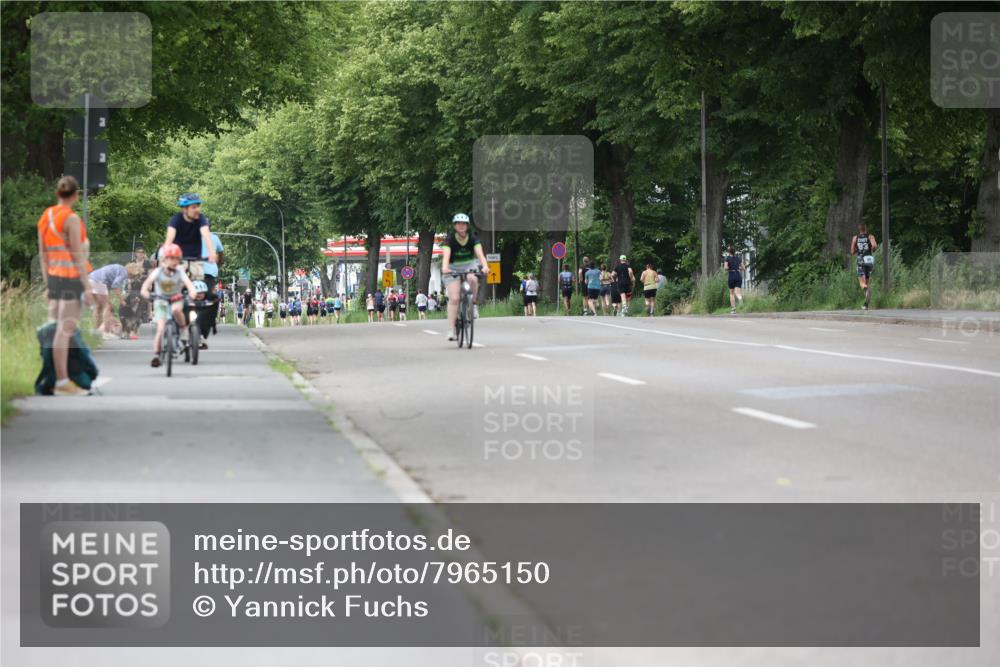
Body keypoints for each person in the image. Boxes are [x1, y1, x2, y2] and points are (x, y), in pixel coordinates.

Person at [37, 175, 94, 396]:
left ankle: (53, 378)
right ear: (76, 195)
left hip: (54, 278)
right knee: (65, 328)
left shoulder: (46, 216)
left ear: (57, 193)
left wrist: (47, 283)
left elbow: (43, 255)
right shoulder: (70, 219)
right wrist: (87, 287)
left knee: (54, 328)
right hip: (70, 278)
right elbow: (78, 255)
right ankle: (62, 381)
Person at [140, 243, 197, 368]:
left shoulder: (180, 272)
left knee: (177, 310)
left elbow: (189, 285)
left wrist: (192, 292)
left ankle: (183, 329)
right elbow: (146, 286)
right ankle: (156, 355)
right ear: (164, 259)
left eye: (176, 258)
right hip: (160, 300)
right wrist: (145, 293)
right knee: (160, 329)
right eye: (171, 258)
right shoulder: (157, 272)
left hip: (176, 299)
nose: (174, 261)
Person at [442, 213, 489, 341]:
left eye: (464, 224)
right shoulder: (449, 240)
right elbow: (446, 256)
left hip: (469, 266)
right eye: (458, 223)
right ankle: (452, 330)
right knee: (455, 298)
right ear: (455, 226)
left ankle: (473, 304)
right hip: (452, 268)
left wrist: (485, 266)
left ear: (467, 226)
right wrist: (445, 268)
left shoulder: (473, 239)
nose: (461, 226)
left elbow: (480, 255)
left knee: (473, 278)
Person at [165, 193, 217, 282]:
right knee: (174, 284)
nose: (197, 209)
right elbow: (170, 238)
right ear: (185, 209)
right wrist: (166, 254)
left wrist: (211, 252)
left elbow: (206, 234)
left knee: (199, 288)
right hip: (178, 260)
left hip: (195, 260)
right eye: (193, 207)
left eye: (198, 206)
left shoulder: (201, 218)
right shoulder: (176, 219)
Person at [88, 263, 128, 337]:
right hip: (98, 282)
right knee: (107, 306)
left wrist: (109, 300)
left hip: (90, 279)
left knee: (98, 306)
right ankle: (105, 332)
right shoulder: (124, 272)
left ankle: (96, 330)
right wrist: (121, 300)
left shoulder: (118, 268)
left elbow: (108, 287)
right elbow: (115, 285)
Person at [851, 224, 878, 310]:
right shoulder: (870, 237)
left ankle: (866, 290)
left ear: (859, 230)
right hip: (869, 260)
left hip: (860, 260)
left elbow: (852, 251)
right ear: (866, 229)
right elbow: (874, 246)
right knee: (866, 282)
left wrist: (858, 250)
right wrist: (871, 250)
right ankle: (866, 305)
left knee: (862, 283)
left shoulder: (855, 238)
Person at [724, 246, 745, 314]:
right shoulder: (738, 258)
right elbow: (743, 268)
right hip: (738, 275)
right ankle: (740, 299)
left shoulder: (727, 259)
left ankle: (733, 309)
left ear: (729, 252)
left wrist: (729, 268)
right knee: (738, 292)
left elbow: (725, 268)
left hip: (732, 275)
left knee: (732, 293)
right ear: (734, 251)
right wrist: (738, 267)